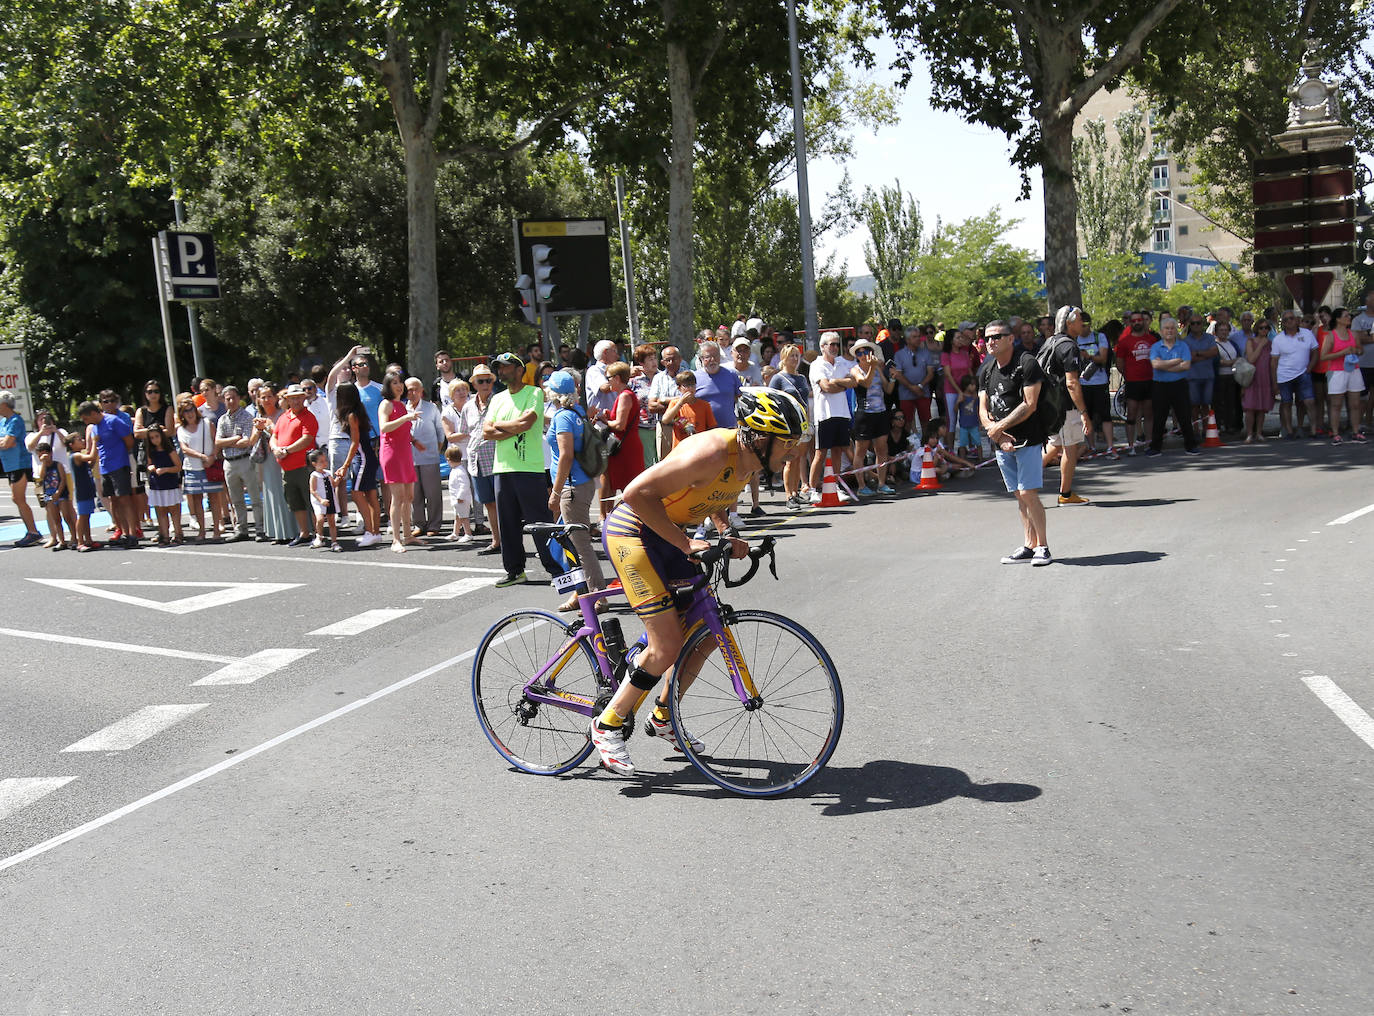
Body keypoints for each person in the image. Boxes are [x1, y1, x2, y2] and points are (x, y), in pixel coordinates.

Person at [589, 388, 809, 775]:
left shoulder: (749, 461)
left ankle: (663, 717)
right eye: (786, 444)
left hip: (670, 533)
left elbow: (715, 494)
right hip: (633, 531)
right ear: (760, 437)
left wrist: (724, 532)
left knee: (706, 632)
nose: (791, 453)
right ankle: (607, 724)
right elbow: (636, 493)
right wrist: (686, 542)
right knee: (667, 644)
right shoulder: (706, 452)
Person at [483, 352, 564, 588]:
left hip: (529, 468)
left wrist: (500, 426)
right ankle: (515, 570)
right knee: (507, 523)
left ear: (519, 370)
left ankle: (556, 570)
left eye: (506, 367)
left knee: (540, 522)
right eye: (499, 367)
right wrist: (512, 427)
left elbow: (527, 423)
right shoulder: (497, 399)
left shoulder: (534, 393)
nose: (501, 371)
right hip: (503, 469)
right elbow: (487, 432)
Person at [977, 321, 1051, 566]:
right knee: (1020, 495)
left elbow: (1030, 404)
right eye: (987, 337)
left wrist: (1000, 427)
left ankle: (1043, 547)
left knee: (1029, 492)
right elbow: (983, 408)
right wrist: (996, 433)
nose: (991, 341)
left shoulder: (1026, 363)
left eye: (997, 336)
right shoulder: (986, 370)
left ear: (1011, 338)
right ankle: (1029, 545)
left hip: (1028, 439)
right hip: (1002, 443)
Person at [543, 369, 608, 612]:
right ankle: (579, 594)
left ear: (555, 393)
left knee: (579, 546)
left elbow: (566, 455)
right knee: (573, 544)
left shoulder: (562, 418)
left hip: (571, 487)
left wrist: (556, 492)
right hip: (584, 482)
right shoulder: (578, 412)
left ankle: (597, 597)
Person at [1041, 306, 1093, 505]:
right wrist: (1084, 413)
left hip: (1049, 404)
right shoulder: (1069, 347)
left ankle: (1024, 482)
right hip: (1064, 406)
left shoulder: (1050, 342)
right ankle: (1065, 494)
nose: (1083, 323)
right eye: (1080, 319)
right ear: (1069, 322)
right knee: (1071, 449)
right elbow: (1072, 383)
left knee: (1055, 445)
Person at [81, 392, 139, 547]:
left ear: (93, 413)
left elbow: (129, 441)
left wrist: (120, 456)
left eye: (86, 418)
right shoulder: (94, 428)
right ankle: (123, 532)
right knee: (113, 500)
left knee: (125, 498)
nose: (86, 422)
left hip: (119, 465)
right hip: (104, 467)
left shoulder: (113, 421)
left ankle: (133, 533)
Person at [807, 331, 857, 504]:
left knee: (837, 451)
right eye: (832, 344)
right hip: (824, 415)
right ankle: (812, 489)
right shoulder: (817, 365)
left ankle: (834, 485)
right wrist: (840, 383)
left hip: (842, 413)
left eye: (837, 344)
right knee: (820, 454)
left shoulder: (841, 363)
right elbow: (826, 387)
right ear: (823, 347)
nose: (835, 347)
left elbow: (853, 382)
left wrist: (836, 382)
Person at [377, 371, 422, 552]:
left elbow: (403, 430)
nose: (399, 385)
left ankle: (408, 535)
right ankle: (396, 539)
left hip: (405, 453)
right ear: (387, 386)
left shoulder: (401, 405)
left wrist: (415, 441)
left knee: (408, 497)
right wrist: (405, 418)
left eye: (400, 382)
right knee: (398, 497)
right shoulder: (386, 404)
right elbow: (384, 427)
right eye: (394, 382)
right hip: (392, 454)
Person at [271, 383, 320, 547]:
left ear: (303, 398)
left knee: (311, 501)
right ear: (288, 400)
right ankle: (304, 533)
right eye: (292, 398)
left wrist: (286, 450)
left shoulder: (309, 417)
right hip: (287, 468)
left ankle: (319, 533)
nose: (296, 401)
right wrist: (275, 448)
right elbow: (274, 436)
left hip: (304, 466)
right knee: (295, 502)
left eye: (299, 397)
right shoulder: (283, 417)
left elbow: (306, 439)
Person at [460, 363, 502, 556]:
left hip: (498, 460)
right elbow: (465, 432)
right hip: (476, 461)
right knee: (488, 503)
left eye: (488, 380)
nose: (485, 384)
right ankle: (496, 540)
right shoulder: (468, 406)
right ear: (474, 384)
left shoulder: (500, 401)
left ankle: (507, 540)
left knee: (503, 503)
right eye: (481, 381)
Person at [334, 383, 382, 546]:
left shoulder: (351, 415)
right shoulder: (358, 412)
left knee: (356, 493)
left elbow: (355, 443)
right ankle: (375, 532)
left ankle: (370, 531)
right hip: (367, 456)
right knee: (370, 494)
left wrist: (345, 465)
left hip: (363, 458)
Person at [768, 343, 814, 508]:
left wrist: (808, 422)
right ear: (784, 359)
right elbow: (771, 401)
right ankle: (788, 496)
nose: (795, 359)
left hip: (800, 424)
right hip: (786, 425)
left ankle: (795, 492)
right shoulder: (778, 378)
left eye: (797, 355)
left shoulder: (801, 378)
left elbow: (805, 401)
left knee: (798, 459)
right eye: (791, 356)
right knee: (789, 460)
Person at [215, 385, 262, 541]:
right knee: (236, 499)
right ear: (223, 400)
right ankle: (241, 529)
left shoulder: (247, 416)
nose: (231, 401)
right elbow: (218, 442)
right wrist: (235, 439)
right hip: (229, 462)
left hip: (245, 459)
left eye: (233, 397)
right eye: (227, 398)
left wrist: (230, 441)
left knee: (254, 497)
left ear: (239, 398)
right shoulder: (222, 419)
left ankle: (260, 528)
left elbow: (247, 441)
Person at [1147, 316, 1198, 456]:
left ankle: (1190, 446)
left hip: (1179, 385)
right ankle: (1155, 448)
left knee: (1184, 416)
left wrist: (1164, 365)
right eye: (1166, 328)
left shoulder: (1183, 346)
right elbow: (1155, 365)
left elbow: (1186, 365)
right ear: (1161, 331)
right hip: (1160, 386)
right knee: (1159, 417)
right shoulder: (1156, 347)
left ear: (1176, 330)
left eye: (1172, 328)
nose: (1169, 331)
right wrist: (1176, 361)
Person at [849, 338, 895, 495]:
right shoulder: (855, 369)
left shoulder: (877, 369)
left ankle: (881, 484)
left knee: (882, 449)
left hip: (880, 412)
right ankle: (862, 486)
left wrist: (893, 378)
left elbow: (888, 389)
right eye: (859, 352)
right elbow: (865, 383)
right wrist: (873, 367)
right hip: (864, 413)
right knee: (860, 451)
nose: (863, 355)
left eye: (866, 351)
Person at [176, 395, 224, 542]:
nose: (189, 413)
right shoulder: (181, 429)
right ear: (181, 414)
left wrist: (212, 457)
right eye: (185, 411)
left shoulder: (206, 423)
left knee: (214, 498)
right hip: (192, 468)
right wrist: (203, 457)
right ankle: (202, 531)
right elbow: (184, 449)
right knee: (196, 500)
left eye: (191, 409)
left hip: (210, 466)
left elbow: (217, 441)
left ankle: (217, 530)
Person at [601, 361, 645, 519]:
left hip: (625, 448)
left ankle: (633, 520)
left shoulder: (625, 396)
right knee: (623, 486)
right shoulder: (624, 395)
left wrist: (604, 420)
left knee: (629, 488)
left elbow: (620, 425)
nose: (608, 382)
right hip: (624, 446)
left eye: (609, 378)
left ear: (617, 378)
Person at [405, 376, 446, 536]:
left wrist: (436, 449)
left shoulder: (431, 408)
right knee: (414, 495)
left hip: (430, 457)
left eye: (416, 389)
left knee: (433, 493)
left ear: (422, 391)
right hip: (409, 458)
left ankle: (434, 525)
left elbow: (440, 431)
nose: (413, 392)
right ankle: (419, 524)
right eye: (409, 389)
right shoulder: (403, 408)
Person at [1318, 307, 1366, 443]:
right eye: (1346, 316)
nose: (1349, 318)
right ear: (1338, 319)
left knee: (1355, 404)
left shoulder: (1354, 334)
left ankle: (1356, 432)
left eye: (1349, 316)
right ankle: (1335, 433)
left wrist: (1356, 351)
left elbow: (1361, 350)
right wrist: (1343, 352)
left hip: (1354, 370)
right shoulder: (1331, 336)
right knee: (1336, 405)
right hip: (1337, 371)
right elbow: (1323, 356)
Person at [1, 389, 42, 547]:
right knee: (17, 498)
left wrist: (4, 442)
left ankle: (33, 532)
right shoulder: (3, 422)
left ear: (5, 405)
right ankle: (32, 531)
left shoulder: (15, 420)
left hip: (19, 463)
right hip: (9, 464)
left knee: (21, 498)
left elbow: (8, 443)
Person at [1271, 310, 1319, 439]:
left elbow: (1315, 351)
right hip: (1284, 376)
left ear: (1296, 319)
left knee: (1309, 401)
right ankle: (1289, 430)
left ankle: (1312, 429)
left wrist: (1309, 367)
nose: (1289, 321)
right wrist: (1274, 382)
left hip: (1303, 373)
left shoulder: (1307, 334)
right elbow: (1274, 362)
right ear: (1283, 323)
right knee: (1286, 403)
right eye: (1285, 320)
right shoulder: (1278, 339)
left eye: (1291, 318)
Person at [1115, 312, 1156, 454]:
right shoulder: (1124, 342)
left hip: (1149, 381)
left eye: (1140, 320)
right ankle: (1131, 445)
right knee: (1131, 414)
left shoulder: (1152, 339)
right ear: (1130, 323)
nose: (1137, 322)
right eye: (1134, 320)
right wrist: (1128, 376)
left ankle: (1149, 444)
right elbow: (1119, 363)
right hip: (1133, 382)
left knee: (1149, 414)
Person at [1077, 313, 1115, 458]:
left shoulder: (1100, 337)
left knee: (1105, 415)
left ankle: (1110, 446)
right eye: (1081, 325)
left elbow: (1103, 358)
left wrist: (1089, 356)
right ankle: (1091, 446)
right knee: (1088, 416)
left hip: (1100, 382)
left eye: (1085, 325)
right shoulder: (1074, 339)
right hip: (1083, 383)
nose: (1083, 329)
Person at [143, 422, 184, 545]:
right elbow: (149, 463)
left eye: (157, 436)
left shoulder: (169, 450)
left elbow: (178, 467)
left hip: (170, 483)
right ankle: (164, 535)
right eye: (152, 438)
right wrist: (151, 467)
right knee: (160, 511)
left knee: (174, 510)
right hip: (157, 484)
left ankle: (178, 534)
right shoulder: (151, 451)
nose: (155, 440)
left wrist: (166, 469)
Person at [628, 343, 664, 469]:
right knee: (647, 464)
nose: (654, 362)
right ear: (641, 362)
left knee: (663, 461)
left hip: (663, 424)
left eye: (655, 358)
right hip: (643, 427)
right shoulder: (634, 381)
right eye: (650, 359)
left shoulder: (663, 377)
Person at [892, 325, 936, 427]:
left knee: (925, 422)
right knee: (906, 422)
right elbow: (898, 374)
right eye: (914, 337)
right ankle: (907, 442)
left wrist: (920, 386)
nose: (918, 339)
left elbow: (930, 373)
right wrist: (912, 387)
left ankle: (925, 443)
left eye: (918, 336)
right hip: (906, 394)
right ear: (907, 340)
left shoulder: (926, 353)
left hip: (923, 393)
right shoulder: (899, 354)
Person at [662, 370, 717, 449]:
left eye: (692, 385)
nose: (690, 389)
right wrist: (680, 403)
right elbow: (665, 420)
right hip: (680, 448)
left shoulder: (705, 405)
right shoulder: (675, 403)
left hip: (699, 448)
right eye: (686, 386)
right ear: (679, 388)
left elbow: (712, 428)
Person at [1182, 313, 1218, 434]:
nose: (1196, 325)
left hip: (1208, 376)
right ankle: (1196, 430)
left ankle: (1206, 430)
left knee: (1206, 405)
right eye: (1193, 323)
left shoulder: (1209, 338)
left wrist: (1196, 353)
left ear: (1202, 324)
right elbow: (1188, 358)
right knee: (1194, 405)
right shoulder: (1185, 341)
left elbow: (1214, 352)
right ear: (1190, 325)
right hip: (1192, 377)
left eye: (1198, 323)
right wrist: (1204, 354)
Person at [647, 344, 683, 461]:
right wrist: (678, 403)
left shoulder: (689, 375)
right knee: (665, 461)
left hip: (684, 425)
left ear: (680, 359)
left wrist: (663, 400)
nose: (671, 362)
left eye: (674, 358)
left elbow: (690, 401)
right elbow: (651, 406)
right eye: (668, 360)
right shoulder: (658, 378)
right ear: (662, 362)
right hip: (664, 426)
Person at [64, 430, 99, 552]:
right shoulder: (75, 456)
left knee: (87, 516)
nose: (82, 440)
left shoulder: (78, 455)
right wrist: (94, 442)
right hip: (82, 491)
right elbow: (91, 457)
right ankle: (80, 542)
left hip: (87, 489)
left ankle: (88, 539)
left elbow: (90, 463)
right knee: (83, 517)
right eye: (79, 439)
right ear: (71, 445)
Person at [1241, 321, 1275, 443]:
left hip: (1265, 378)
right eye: (1261, 328)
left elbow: (1273, 363)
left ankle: (1259, 432)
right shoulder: (1250, 341)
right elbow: (1251, 359)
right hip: (1252, 377)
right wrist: (1261, 345)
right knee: (1250, 407)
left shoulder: (1271, 344)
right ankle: (1249, 433)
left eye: (1266, 328)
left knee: (1262, 408)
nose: (1264, 330)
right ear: (1257, 329)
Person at [33, 442, 70, 550]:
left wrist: (58, 492)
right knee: (54, 517)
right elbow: (41, 476)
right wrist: (43, 462)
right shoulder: (41, 467)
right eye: (40, 455)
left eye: (45, 454)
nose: (43, 456)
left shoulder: (57, 464)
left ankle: (74, 538)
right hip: (47, 494)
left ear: (50, 453)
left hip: (61, 493)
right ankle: (61, 540)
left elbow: (63, 479)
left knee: (66, 516)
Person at [308, 449, 343, 551]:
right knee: (320, 519)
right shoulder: (314, 475)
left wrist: (338, 477)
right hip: (320, 501)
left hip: (330, 499)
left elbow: (334, 484)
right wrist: (321, 500)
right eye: (321, 462)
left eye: (325, 461)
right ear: (314, 464)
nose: (325, 463)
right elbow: (312, 490)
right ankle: (319, 535)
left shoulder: (327, 473)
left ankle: (334, 542)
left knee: (332, 521)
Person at [1212, 320, 1243, 434]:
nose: (1224, 332)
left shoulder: (1232, 344)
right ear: (1216, 332)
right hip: (1219, 377)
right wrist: (1232, 361)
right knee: (1219, 402)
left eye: (1226, 330)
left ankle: (1230, 425)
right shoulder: (1213, 345)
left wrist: (1230, 362)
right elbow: (1218, 362)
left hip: (1232, 376)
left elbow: (1239, 358)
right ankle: (1219, 425)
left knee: (1231, 402)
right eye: (1221, 330)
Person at [584, 339, 620, 419]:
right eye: (614, 351)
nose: (617, 356)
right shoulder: (594, 370)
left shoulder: (615, 371)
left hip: (616, 420)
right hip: (601, 423)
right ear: (605, 352)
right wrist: (623, 376)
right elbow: (604, 388)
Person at [953, 375, 982, 459]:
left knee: (978, 443)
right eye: (971, 384)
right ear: (966, 385)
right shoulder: (962, 397)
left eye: (975, 385)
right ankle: (962, 460)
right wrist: (958, 402)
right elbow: (955, 410)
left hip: (974, 424)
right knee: (962, 444)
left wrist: (980, 423)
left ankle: (981, 459)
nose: (974, 387)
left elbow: (978, 410)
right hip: (964, 425)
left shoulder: (976, 397)